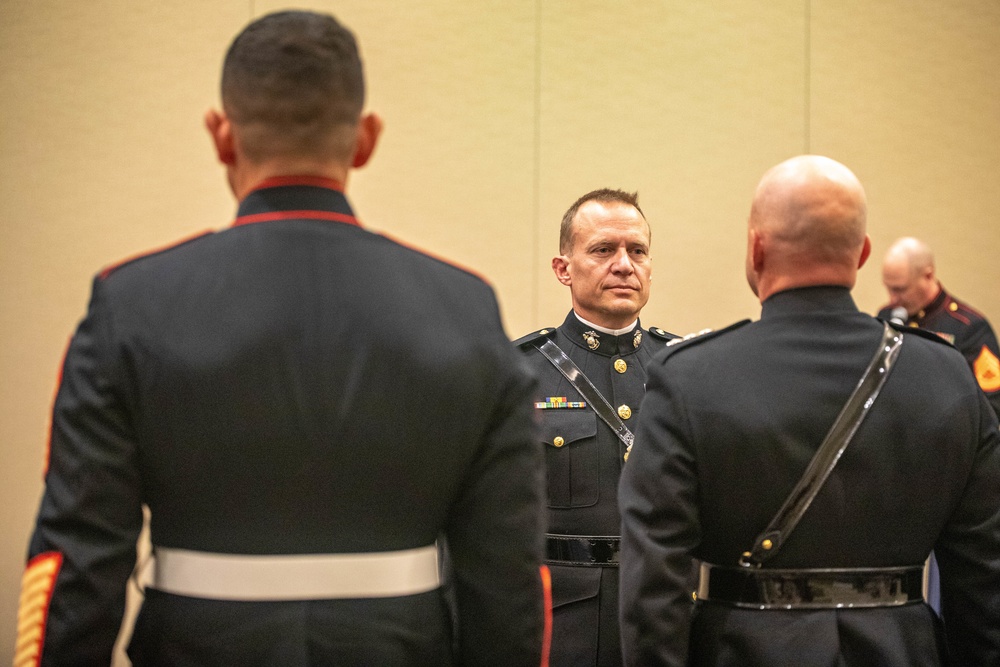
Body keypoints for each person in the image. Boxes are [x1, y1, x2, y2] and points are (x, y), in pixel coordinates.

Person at [15, 11, 548, 666]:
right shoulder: (464, 308)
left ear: (221, 135)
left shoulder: (132, 305)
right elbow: (508, 575)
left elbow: (75, 564)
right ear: (365, 138)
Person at [619, 155, 1000, 666]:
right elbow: (984, 580)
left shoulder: (689, 378)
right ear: (862, 253)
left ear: (757, 247)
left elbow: (653, 587)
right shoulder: (946, 375)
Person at [515, 189, 676, 667]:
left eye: (638, 251)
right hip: (563, 623)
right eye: (604, 250)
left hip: (662, 618)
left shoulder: (682, 371)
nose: (624, 264)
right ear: (563, 268)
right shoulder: (519, 373)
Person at [878, 236, 1000, 418]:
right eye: (889, 288)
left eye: (900, 289)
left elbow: (991, 404)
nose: (893, 299)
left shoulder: (969, 327)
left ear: (928, 275)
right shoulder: (886, 317)